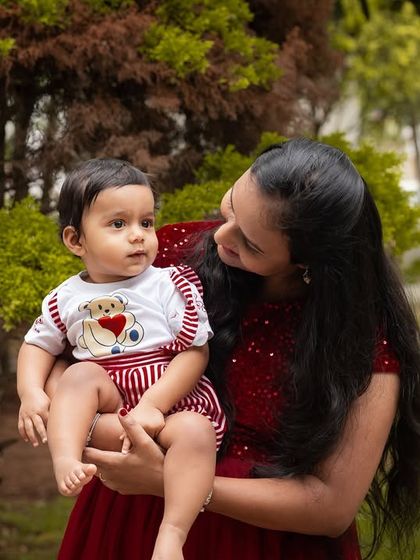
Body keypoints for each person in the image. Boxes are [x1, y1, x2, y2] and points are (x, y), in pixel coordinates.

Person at [45, 138, 419, 559]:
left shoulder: (361, 337)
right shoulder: (166, 256)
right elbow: (66, 360)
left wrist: (173, 482)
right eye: (231, 208)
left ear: (310, 264)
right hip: (129, 519)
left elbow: (331, 506)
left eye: (252, 244)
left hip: (264, 542)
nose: (221, 235)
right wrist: (98, 429)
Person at [16, 158, 226, 560]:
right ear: (76, 241)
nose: (138, 236)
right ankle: (64, 459)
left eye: (146, 223)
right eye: (118, 224)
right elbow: (37, 345)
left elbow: (195, 351)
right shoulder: (65, 298)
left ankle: (172, 533)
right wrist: (30, 393)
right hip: (110, 394)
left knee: (196, 432)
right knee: (79, 376)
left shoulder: (167, 284)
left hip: (170, 400)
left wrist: (152, 406)